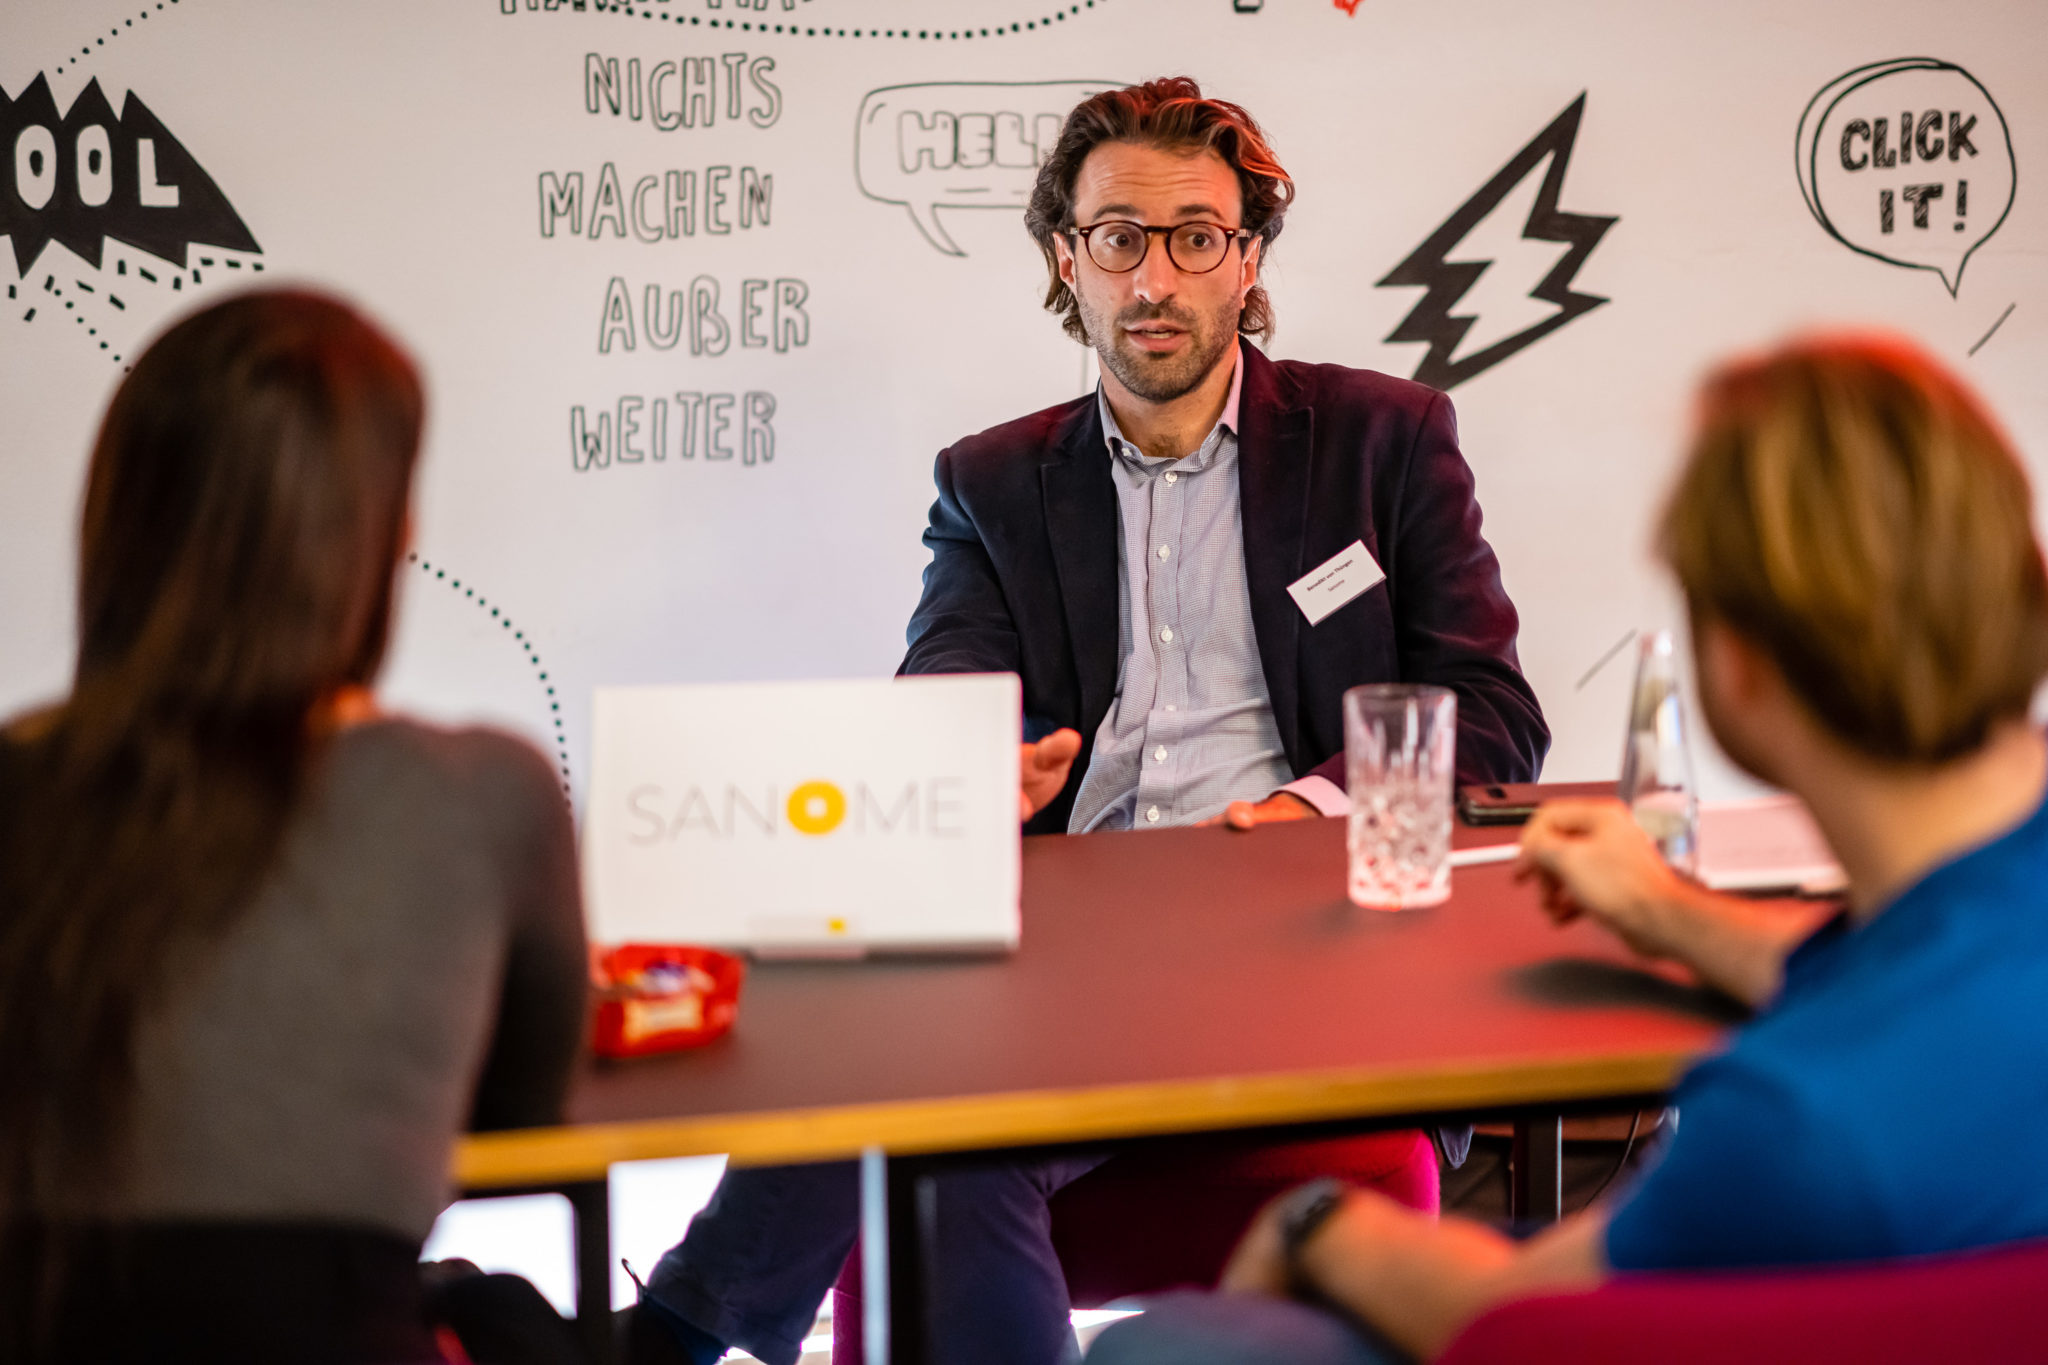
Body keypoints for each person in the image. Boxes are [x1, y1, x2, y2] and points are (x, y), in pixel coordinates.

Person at [631, 78, 1547, 1365]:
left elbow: (1489, 711)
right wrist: (968, 770)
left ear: (1248, 258)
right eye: (1118, 238)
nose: (1154, 278)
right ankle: (672, 1333)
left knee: (938, 1111)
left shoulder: (1379, 441)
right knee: (940, 1120)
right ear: (1069, 259)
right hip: (1072, 953)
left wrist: (1305, 809)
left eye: (1195, 237)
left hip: (1302, 940)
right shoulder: (993, 481)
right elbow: (943, 693)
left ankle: (668, 1335)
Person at [1084, 334, 2048, 1364]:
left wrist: (1310, 1222)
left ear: (1736, 662)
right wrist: (1666, 910)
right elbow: (1908, 988)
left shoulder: (1787, 1120)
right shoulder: (1960, 952)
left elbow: (1512, 1310)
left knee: (1161, 1346)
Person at [0, 291, 590, 1363]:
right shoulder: (484, 796)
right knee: (505, 1317)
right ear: (377, 537)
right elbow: (518, 1126)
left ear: (119, 522)